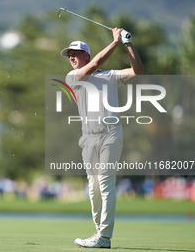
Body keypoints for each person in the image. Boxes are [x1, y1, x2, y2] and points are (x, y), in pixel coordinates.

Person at [61, 28, 144, 248]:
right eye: (70, 54)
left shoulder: (110, 76)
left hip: (110, 133)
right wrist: (115, 41)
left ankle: (104, 236)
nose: (71, 56)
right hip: (88, 138)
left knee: (105, 184)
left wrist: (127, 44)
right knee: (93, 187)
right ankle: (100, 234)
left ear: (86, 54)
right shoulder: (73, 77)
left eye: (76, 53)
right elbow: (96, 64)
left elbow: (138, 70)